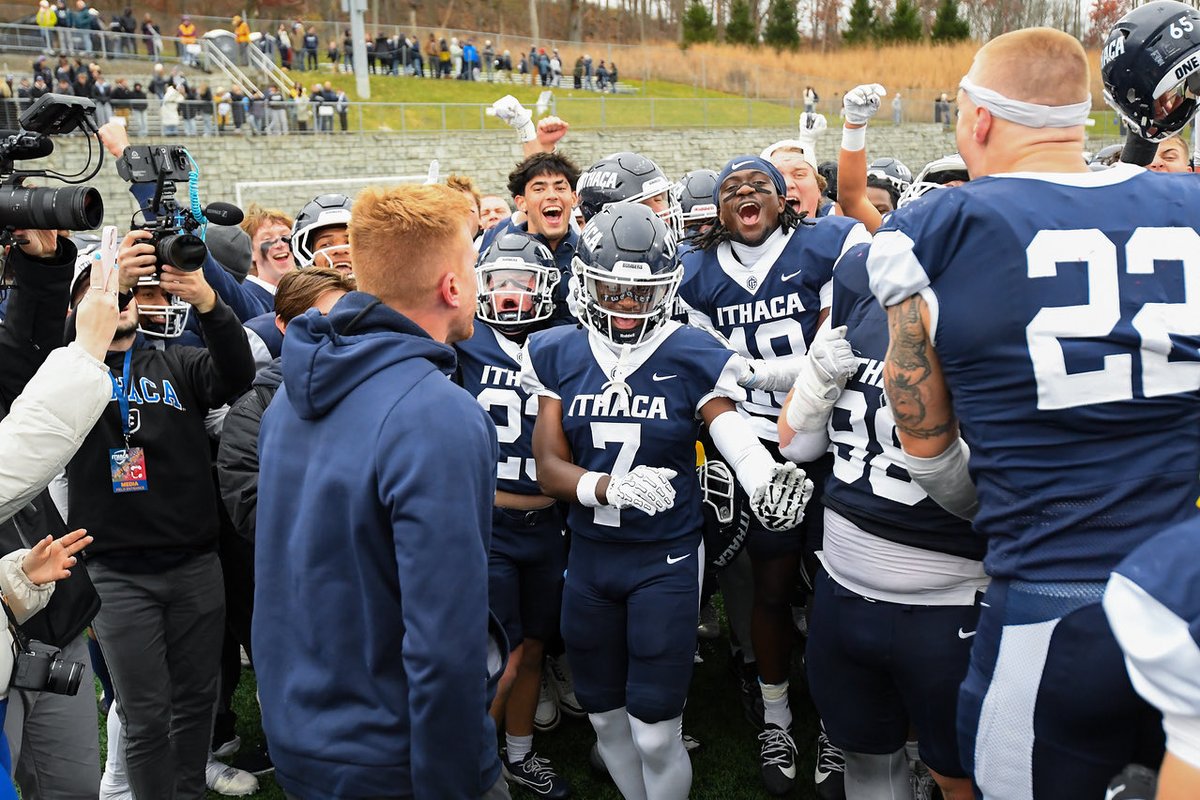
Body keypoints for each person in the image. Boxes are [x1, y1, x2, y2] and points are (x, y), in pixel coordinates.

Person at [865, 27, 1200, 798]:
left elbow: (925, 437)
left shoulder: (937, 230)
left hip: (1050, 608)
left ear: (978, 120)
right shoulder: (1188, 203)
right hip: (1184, 593)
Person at [521, 203, 811, 800]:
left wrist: (762, 479)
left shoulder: (683, 349)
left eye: (642, 292)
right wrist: (606, 487)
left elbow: (727, 423)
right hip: (591, 560)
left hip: (665, 562)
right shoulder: (555, 351)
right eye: (614, 289)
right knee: (606, 724)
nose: (627, 306)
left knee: (656, 734)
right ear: (585, 282)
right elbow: (547, 468)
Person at [254, 184, 509, 799]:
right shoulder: (438, 415)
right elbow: (444, 644)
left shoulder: (289, 396)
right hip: (394, 756)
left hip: (302, 735)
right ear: (451, 286)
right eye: (472, 265)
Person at [676, 155, 869, 796]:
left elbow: (841, 337)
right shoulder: (697, 270)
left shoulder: (829, 244)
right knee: (769, 586)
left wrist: (766, 374)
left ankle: (838, 729)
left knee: (838, 590)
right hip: (752, 448)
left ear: (785, 199)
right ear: (720, 209)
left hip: (831, 443)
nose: (745, 194)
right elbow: (711, 370)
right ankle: (778, 716)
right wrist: (768, 379)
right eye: (732, 189)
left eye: (760, 184)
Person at [777, 244, 983, 800]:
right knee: (865, 761)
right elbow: (797, 445)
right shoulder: (863, 292)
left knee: (963, 774)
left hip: (949, 601)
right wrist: (817, 380)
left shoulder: (986, 315)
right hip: (841, 590)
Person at [74, 229, 255, 800]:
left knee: (197, 702)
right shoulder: (68, 370)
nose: (126, 302)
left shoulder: (178, 360)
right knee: (145, 713)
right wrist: (109, 278)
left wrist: (208, 301)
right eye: (112, 294)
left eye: (135, 295)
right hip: (119, 574)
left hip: (195, 566)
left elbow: (238, 375)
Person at [457, 233, 571, 798]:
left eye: (521, 281)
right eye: (497, 281)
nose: (509, 292)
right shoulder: (463, 341)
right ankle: (476, 765)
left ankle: (520, 755)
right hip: (492, 522)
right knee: (501, 655)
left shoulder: (566, 344)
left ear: (545, 286)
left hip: (550, 524)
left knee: (534, 647)